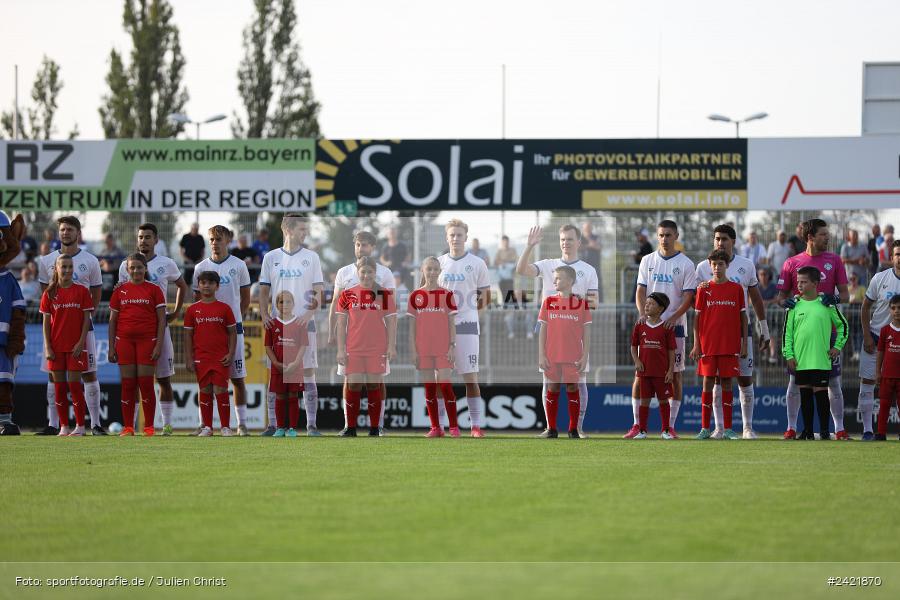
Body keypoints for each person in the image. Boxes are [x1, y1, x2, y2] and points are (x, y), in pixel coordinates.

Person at [516, 224, 599, 438]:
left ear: (578, 242)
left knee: (578, 383)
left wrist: (575, 301)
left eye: (570, 239)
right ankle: (550, 427)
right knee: (549, 383)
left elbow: (594, 302)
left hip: (574, 335)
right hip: (551, 334)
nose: (565, 243)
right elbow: (521, 270)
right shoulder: (548, 265)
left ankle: (577, 428)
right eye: (562, 239)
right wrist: (529, 246)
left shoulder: (588, 270)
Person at [694, 224, 771, 439]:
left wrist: (764, 329)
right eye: (717, 238)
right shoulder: (702, 267)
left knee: (744, 378)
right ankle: (719, 428)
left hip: (738, 335)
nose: (720, 242)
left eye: (725, 238)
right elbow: (697, 304)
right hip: (713, 338)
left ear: (734, 241)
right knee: (716, 380)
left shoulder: (746, 265)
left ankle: (747, 427)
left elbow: (755, 299)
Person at [777, 218, 850, 440]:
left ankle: (839, 429)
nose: (827, 238)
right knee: (795, 382)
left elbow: (845, 295)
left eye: (827, 235)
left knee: (833, 382)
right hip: (802, 336)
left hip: (828, 334)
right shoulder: (791, 263)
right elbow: (781, 298)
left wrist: (834, 297)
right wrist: (785, 303)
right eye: (823, 235)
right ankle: (791, 427)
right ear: (810, 237)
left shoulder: (835, 260)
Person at [117, 223, 190, 435]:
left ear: (156, 240)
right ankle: (133, 425)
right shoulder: (125, 265)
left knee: (164, 379)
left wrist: (175, 313)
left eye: (148, 237)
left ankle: (166, 425)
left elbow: (182, 286)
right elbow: (122, 294)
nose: (143, 241)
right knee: (137, 381)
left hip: (159, 329)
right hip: (135, 332)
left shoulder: (166, 263)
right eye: (140, 237)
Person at [627, 220, 697, 439]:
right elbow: (641, 291)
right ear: (657, 237)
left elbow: (688, 297)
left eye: (668, 235)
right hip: (649, 327)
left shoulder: (686, 264)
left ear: (676, 235)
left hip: (674, 329)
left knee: (674, 376)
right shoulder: (647, 260)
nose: (664, 239)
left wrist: (674, 317)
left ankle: (670, 426)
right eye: (661, 235)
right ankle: (638, 425)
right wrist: (642, 314)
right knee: (640, 375)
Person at [37, 216, 104, 436]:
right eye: (63, 229)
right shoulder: (46, 261)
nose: (66, 233)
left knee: (89, 374)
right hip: (57, 334)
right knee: (54, 380)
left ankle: (94, 424)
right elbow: (46, 296)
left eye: (70, 229)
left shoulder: (91, 260)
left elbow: (95, 292)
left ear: (78, 233)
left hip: (83, 331)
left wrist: (83, 316)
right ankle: (55, 424)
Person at [259, 214, 325, 436]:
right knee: (275, 371)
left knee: (307, 372)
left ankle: (311, 425)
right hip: (279, 325)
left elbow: (319, 290)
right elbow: (264, 290)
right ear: (287, 229)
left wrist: (309, 313)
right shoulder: (271, 257)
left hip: (304, 325)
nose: (305, 233)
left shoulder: (312, 257)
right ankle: (273, 425)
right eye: (301, 229)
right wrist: (263, 313)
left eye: (306, 230)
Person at [328, 231, 395, 434]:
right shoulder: (344, 276)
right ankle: (350, 426)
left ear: (372, 247)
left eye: (365, 245)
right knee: (352, 383)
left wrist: (391, 345)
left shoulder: (385, 277)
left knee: (376, 383)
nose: (361, 248)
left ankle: (377, 426)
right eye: (358, 244)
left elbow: (391, 318)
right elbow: (336, 307)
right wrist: (332, 334)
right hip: (353, 344)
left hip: (377, 345)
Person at [191, 226, 252, 435]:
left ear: (228, 240)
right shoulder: (200, 267)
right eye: (211, 239)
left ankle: (241, 424)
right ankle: (204, 424)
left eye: (219, 238)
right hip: (208, 332)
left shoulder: (239, 265)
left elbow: (245, 298)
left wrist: (235, 320)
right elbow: (196, 300)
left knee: (237, 377)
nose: (215, 242)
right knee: (205, 381)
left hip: (232, 330)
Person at [439, 219, 491, 437]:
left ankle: (476, 426)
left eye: (459, 235)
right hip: (441, 329)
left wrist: (473, 316)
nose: (455, 238)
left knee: (470, 377)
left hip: (467, 327)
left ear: (466, 237)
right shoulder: (439, 263)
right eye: (452, 235)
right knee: (441, 379)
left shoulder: (478, 263)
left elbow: (486, 297)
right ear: (447, 237)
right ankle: (439, 426)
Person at [692, 250, 748, 440]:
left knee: (726, 383)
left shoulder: (736, 288)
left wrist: (744, 344)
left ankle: (728, 429)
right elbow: (696, 319)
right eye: (714, 264)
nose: (717, 267)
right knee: (707, 383)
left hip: (730, 344)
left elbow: (743, 317)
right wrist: (696, 344)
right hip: (708, 344)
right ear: (709, 265)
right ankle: (705, 428)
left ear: (727, 265)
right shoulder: (703, 289)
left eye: (721, 264)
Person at [108, 254, 166, 436]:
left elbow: (162, 320)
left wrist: (158, 346)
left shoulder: (154, 290)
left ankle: (149, 427)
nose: (136, 271)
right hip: (124, 342)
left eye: (139, 267)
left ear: (145, 268)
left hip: (147, 342)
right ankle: (128, 427)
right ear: (127, 270)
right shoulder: (120, 291)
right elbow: (112, 321)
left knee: (146, 384)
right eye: (132, 267)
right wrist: (111, 347)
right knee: (128, 385)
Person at [40, 255, 93, 436]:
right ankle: (63, 426)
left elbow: (86, 320)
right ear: (56, 268)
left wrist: (81, 342)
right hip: (56, 347)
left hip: (75, 347)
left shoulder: (82, 292)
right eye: (64, 267)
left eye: (70, 267)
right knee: (59, 387)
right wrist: (48, 347)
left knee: (75, 385)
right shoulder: (49, 293)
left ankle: (80, 426)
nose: (67, 270)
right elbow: (46, 323)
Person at [537, 266, 592, 439]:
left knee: (572, 387)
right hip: (552, 354)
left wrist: (585, 356)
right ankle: (551, 429)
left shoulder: (581, 304)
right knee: (552, 387)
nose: (554, 282)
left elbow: (587, 332)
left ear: (570, 281)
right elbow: (542, 330)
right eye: (554, 278)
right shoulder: (548, 302)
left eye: (558, 278)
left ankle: (573, 429)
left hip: (573, 355)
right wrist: (541, 354)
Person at [409, 257, 459, 438]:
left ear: (440, 271)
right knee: (429, 388)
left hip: (443, 348)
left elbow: (452, 322)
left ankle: (454, 426)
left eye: (435, 269)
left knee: (445, 385)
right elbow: (412, 328)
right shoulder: (415, 296)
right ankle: (435, 427)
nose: (431, 272)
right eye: (428, 269)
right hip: (423, 349)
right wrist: (413, 351)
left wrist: (452, 346)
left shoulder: (447, 294)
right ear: (422, 270)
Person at [184, 271, 237, 437]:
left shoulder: (225, 308)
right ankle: (207, 427)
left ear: (217, 286)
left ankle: (226, 427)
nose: (206, 286)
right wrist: (189, 358)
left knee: (221, 389)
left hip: (220, 356)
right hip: (201, 357)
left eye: (210, 283)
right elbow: (187, 336)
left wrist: (231, 353)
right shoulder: (192, 310)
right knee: (205, 389)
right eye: (203, 282)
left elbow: (233, 333)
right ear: (198, 285)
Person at [859, 240, 900, 440]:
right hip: (875, 337)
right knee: (867, 383)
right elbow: (865, 307)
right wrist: (867, 335)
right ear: (891, 257)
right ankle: (867, 430)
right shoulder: (880, 278)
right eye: (897, 254)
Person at [629, 292, 675, 439]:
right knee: (644, 401)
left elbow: (671, 351)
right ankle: (642, 431)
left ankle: (666, 431)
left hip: (661, 372)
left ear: (661, 308)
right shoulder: (640, 325)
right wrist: (637, 361)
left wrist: (670, 371)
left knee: (663, 401)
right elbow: (633, 346)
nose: (647, 305)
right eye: (646, 303)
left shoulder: (667, 327)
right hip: (645, 371)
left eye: (651, 303)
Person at [263, 291, 308, 437]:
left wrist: (296, 363)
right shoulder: (272, 324)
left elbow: (303, 345)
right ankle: (280, 427)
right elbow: (268, 346)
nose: (285, 305)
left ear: (293, 304)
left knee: (293, 395)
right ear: (277, 305)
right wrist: (275, 362)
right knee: (280, 396)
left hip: (295, 367)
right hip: (278, 368)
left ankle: (292, 429)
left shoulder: (300, 323)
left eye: (288, 302)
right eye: (282, 302)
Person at [874, 295, 900, 440]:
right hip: (887, 375)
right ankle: (881, 433)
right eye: (894, 308)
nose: (897, 311)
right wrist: (878, 372)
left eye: (899, 308)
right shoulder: (885, 330)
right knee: (884, 405)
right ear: (890, 310)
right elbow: (880, 352)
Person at [494, 235, 519, 338]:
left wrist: (505, 262)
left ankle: (511, 322)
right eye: (504, 242)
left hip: (510, 280)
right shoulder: (499, 251)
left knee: (511, 300)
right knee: (503, 301)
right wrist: (503, 262)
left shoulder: (512, 250)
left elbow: (515, 260)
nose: (505, 243)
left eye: (507, 242)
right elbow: (496, 262)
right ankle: (505, 322)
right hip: (501, 280)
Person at [758, 267, 780, 364]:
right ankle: (764, 354)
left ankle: (772, 354)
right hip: (759, 317)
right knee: (762, 333)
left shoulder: (773, 286)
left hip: (772, 317)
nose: (763, 277)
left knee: (772, 334)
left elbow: (777, 299)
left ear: (769, 276)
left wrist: (765, 302)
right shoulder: (756, 287)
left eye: (765, 274)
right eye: (761, 274)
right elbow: (750, 300)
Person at [99, 233, 126, 302]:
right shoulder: (103, 251)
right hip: (105, 276)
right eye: (106, 241)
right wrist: (104, 264)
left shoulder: (118, 251)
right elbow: (100, 263)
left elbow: (120, 263)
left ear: (113, 240)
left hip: (115, 275)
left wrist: (109, 266)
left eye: (109, 240)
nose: (107, 243)